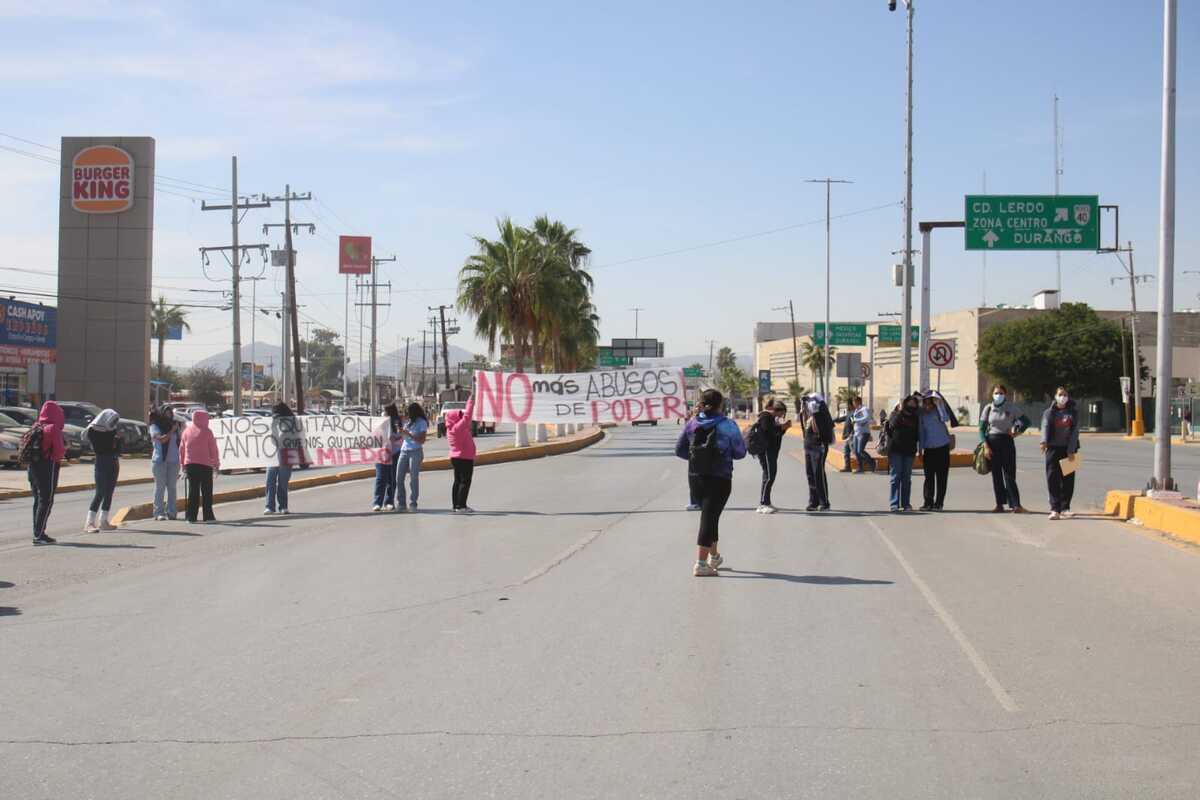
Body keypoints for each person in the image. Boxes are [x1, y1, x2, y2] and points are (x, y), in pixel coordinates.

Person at [675, 388, 746, 576]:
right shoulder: (728, 425)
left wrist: (698, 459)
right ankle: (700, 564)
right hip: (720, 478)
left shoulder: (692, 423)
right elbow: (740, 453)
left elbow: (679, 450)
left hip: (695, 478)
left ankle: (714, 557)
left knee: (710, 516)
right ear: (720, 405)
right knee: (709, 518)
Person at [980, 384, 1031, 513]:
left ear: (1005, 394)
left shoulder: (1011, 408)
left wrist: (1017, 433)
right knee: (996, 475)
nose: (998, 395)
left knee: (1009, 475)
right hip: (992, 443)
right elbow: (981, 429)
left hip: (1007, 442)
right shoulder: (988, 408)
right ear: (992, 394)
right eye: (996, 393)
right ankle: (999, 504)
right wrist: (985, 446)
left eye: (1001, 393)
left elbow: (1026, 421)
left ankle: (1016, 505)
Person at [28, 400, 66, 545]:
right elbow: (59, 451)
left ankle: (37, 532)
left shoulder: (36, 426)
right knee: (47, 500)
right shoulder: (53, 429)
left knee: (38, 500)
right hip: (48, 466)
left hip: (33, 467)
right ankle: (39, 535)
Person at [1041, 386, 1081, 520]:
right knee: (1052, 478)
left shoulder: (1073, 412)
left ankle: (1065, 508)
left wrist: (1071, 450)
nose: (1062, 397)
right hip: (1053, 449)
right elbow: (1045, 426)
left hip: (1070, 449)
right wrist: (1043, 442)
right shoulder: (1049, 412)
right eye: (1060, 394)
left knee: (1068, 480)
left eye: (1065, 395)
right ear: (1055, 396)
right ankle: (1054, 509)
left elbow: (1075, 432)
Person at [84, 409, 123, 532]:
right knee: (100, 492)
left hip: (113, 461)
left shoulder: (113, 430)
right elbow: (99, 447)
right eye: (113, 420)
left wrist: (119, 440)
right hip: (102, 461)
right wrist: (113, 440)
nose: (114, 424)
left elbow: (118, 449)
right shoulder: (93, 430)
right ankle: (89, 522)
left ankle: (103, 521)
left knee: (109, 492)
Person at [917, 391, 957, 511]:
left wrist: (939, 403)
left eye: (930, 403)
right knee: (928, 477)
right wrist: (920, 450)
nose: (928, 406)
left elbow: (946, 418)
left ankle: (939, 503)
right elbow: (921, 433)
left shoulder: (939, 411)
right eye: (925, 403)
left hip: (942, 447)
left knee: (942, 477)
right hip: (929, 449)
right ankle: (928, 502)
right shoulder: (921, 415)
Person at [180, 409, 220, 523]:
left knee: (193, 491)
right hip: (205, 464)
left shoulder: (186, 431)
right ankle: (208, 516)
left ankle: (191, 517)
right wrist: (216, 464)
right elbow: (213, 449)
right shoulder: (207, 432)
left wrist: (182, 465)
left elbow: (182, 449)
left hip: (190, 464)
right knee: (206, 491)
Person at [885, 395, 921, 512]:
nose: (912, 406)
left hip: (909, 451)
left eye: (914, 404)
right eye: (909, 403)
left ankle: (906, 504)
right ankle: (894, 504)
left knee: (906, 478)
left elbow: (917, 434)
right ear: (904, 404)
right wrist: (900, 412)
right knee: (895, 477)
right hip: (896, 450)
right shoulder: (896, 414)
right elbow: (891, 427)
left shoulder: (916, 417)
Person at [755, 398, 791, 513]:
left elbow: (777, 434)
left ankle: (767, 502)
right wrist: (782, 427)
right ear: (777, 410)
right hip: (766, 451)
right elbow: (768, 431)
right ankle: (762, 504)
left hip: (772, 451)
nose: (782, 416)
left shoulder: (772, 418)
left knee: (770, 475)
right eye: (782, 413)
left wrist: (783, 428)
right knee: (769, 476)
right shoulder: (765, 416)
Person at [265, 402, 300, 515]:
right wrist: (273, 424)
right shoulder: (271, 422)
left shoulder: (292, 423)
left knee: (283, 482)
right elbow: (271, 439)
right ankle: (269, 506)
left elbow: (295, 438)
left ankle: (283, 506)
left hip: (286, 455)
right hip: (272, 456)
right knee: (270, 481)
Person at [801, 394, 835, 511]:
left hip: (818, 446)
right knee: (810, 474)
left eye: (809, 401)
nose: (807, 404)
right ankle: (813, 502)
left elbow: (821, 428)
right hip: (808, 446)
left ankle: (824, 502)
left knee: (818, 474)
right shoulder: (808, 414)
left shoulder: (821, 413)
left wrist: (814, 409)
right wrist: (804, 408)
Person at [445, 395, 477, 512]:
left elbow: (466, 418)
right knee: (465, 481)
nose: (461, 416)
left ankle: (456, 505)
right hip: (464, 458)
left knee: (458, 481)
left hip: (456, 458)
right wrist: (470, 402)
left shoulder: (450, 429)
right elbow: (467, 417)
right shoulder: (457, 428)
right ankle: (461, 506)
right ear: (454, 418)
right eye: (459, 416)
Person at [150, 405, 182, 521]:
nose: (169, 415)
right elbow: (162, 439)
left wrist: (178, 430)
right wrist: (172, 430)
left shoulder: (174, 425)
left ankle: (172, 512)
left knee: (172, 487)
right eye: (166, 413)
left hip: (174, 461)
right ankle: (158, 512)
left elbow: (180, 441)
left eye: (170, 413)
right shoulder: (155, 426)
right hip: (160, 461)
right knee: (160, 487)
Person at [395, 402, 429, 511]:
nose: (407, 414)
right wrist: (401, 432)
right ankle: (401, 503)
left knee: (413, 478)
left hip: (415, 451)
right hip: (404, 451)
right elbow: (405, 437)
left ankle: (413, 503)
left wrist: (409, 434)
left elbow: (422, 440)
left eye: (408, 412)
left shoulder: (422, 422)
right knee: (399, 477)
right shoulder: (408, 422)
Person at [373, 404, 403, 511]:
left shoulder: (397, 422)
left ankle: (389, 502)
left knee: (392, 479)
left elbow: (401, 438)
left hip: (394, 453)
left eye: (385, 411)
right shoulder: (380, 421)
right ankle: (377, 503)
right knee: (380, 478)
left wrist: (395, 438)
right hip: (381, 454)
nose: (383, 413)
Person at [850, 397, 876, 473]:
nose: (853, 404)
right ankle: (860, 468)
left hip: (864, 432)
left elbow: (866, 418)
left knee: (860, 451)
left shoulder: (864, 409)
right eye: (853, 402)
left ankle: (872, 462)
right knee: (856, 451)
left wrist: (856, 420)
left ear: (858, 402)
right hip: (856, 433)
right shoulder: (856, 411)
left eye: (854, 402)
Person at [832, 401, 856, 473]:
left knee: (855, 452)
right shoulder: (849, 413)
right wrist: (832, 420)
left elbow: (854, 424)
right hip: (847, 436)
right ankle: (847, 467)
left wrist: (852, 433)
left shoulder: (854, 414)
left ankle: (869, 463)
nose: (847, 407)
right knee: (846, 452)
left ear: (851, 405)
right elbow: (841, 419)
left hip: (851, 435)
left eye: (848, 405)